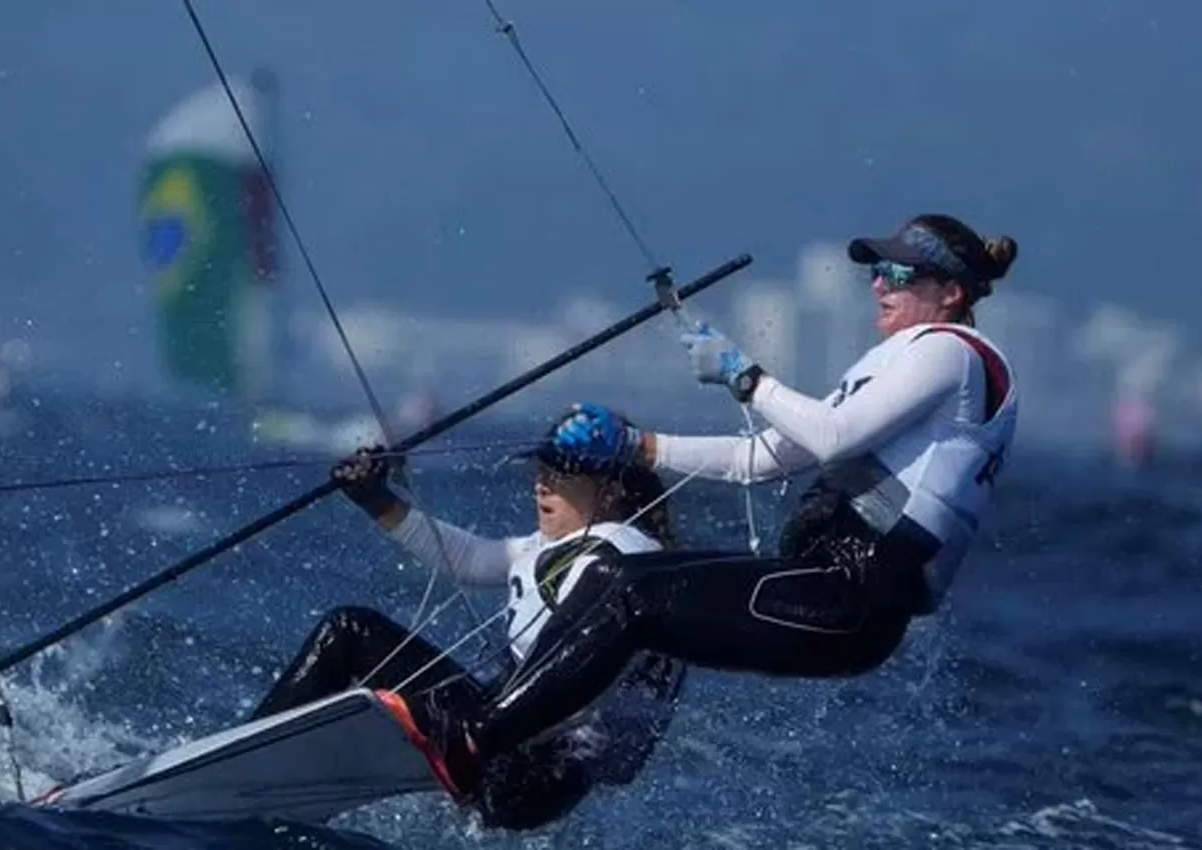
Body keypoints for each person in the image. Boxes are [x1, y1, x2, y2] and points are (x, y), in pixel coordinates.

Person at [418, 212, 1021, 776]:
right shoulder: (901, 362)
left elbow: (833, 438)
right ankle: (497, 717)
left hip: (852, 600)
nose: (879, 284)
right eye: (876, 271)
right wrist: (637, 444)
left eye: (900, 273)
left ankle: (479, 739)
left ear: (952, 292)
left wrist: (743, 375)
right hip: (821, 578)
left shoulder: (951, 352)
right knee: (616, 574)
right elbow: (761, 459)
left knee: (631, 595)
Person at [248, 411, 688, 829]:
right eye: (540, 472)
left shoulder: (617, 554)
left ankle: (247, 758)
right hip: (523, 774)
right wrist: (376, 499)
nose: (541, 487)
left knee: (350, 632)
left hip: (516, 768)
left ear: (609, 491)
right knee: (372, 660)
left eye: (560, 476)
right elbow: (476, 559)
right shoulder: (602, 551)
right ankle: (288, 775)